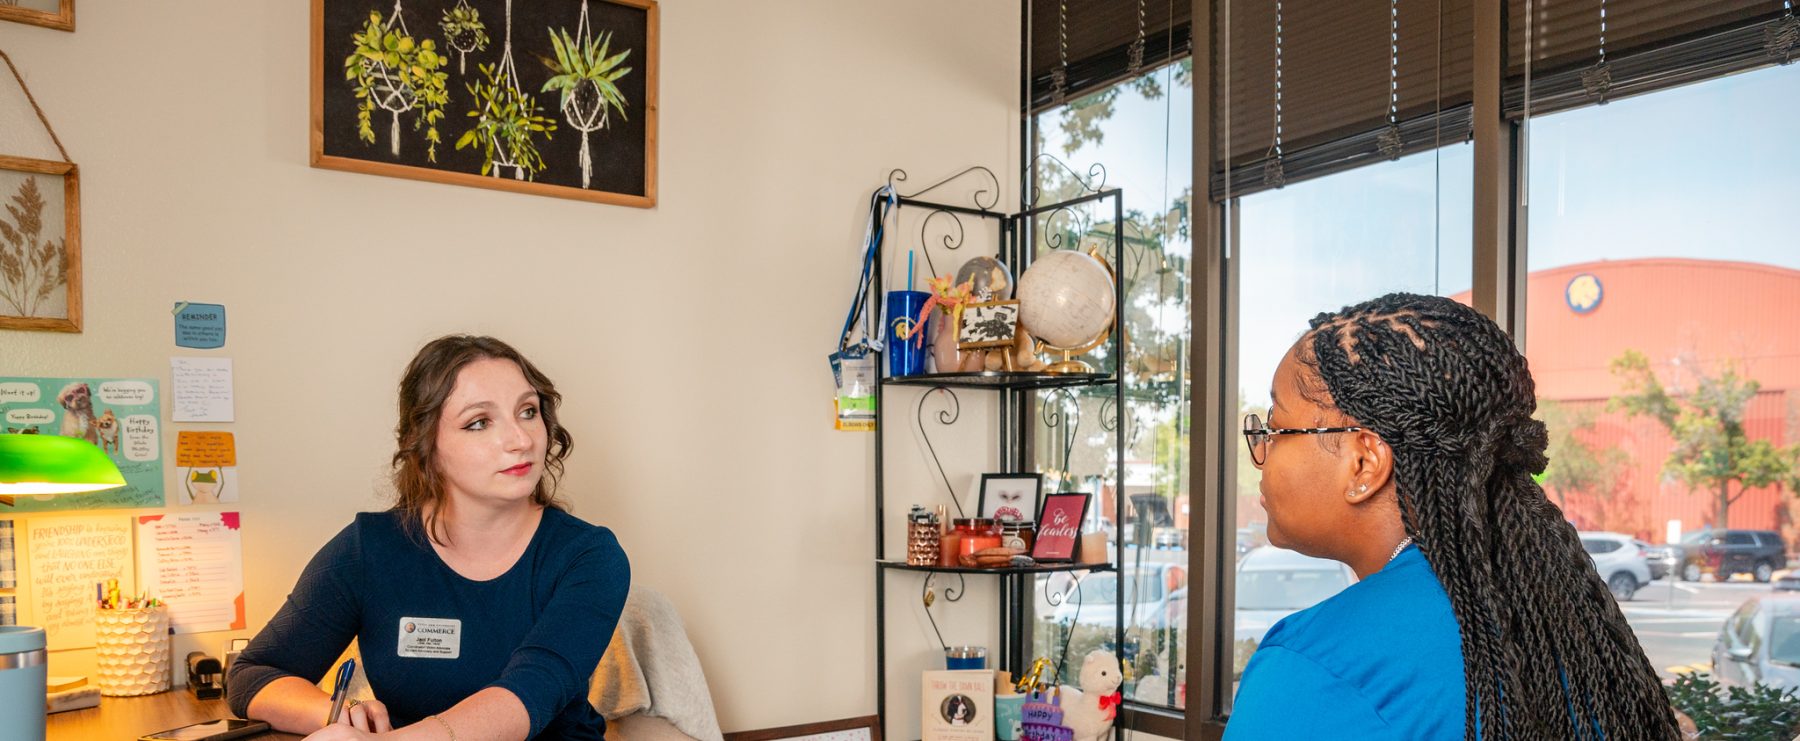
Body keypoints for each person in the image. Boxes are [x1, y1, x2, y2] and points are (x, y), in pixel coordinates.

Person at [1225, 294, 1679, 740]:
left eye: (1277, 429)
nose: (1261, 451)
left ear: (1364, 464)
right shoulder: (1568, 622)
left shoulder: (1313, 665)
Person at [227, 335, 631, 740]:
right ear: (426, 444)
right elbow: (253, 675)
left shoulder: (589, 556)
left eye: (527, 411)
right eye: (479, 422)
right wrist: (343, 716)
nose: (522, 440)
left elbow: (525, 695)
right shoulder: (369, 549)